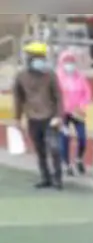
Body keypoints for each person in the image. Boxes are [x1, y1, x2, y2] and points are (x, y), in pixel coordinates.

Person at [14, 41, 63, 190]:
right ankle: (45, 177)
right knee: (40, 149)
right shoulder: (21, 77)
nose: (40, 60)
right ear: (29, 59)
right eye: (36, 57)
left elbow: (59, 97)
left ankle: (57, 178)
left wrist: (59, 116)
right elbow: (18, 98)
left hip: (50, 117)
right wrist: (17, 118)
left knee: (54, 148)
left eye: (42, 57)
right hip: (32, 118)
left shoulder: (50, 75)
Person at [56, 50, 92, 177]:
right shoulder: (57, 78)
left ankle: (79, 159)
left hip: (77, 113)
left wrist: (81, 106)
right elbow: (55, 96)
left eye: (72, 62)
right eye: (67, 62)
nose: (69, 65)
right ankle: (66, 164)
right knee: (64, 138)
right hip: (63, 113)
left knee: (82, 137)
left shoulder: (80, 77)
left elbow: (87, 94)